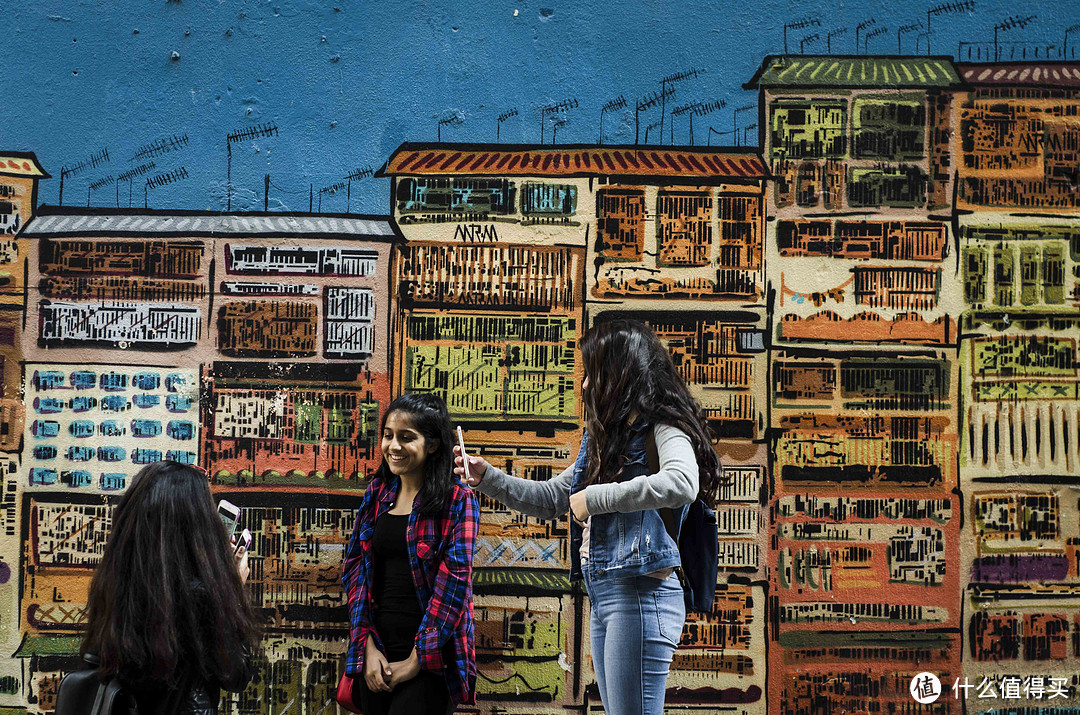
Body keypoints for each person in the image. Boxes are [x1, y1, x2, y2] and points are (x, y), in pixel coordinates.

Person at [455, 319, 721, 715]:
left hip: (640, 596)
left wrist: (595, 498)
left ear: (621, 374)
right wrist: (487, 477)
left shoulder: (663, 425)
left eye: (593, 374)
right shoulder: (602, 438)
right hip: (607, 595)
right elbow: (553, 498)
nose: (584, 386)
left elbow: (683, 483)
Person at [81, 461, 259, 714]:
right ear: (195, 525)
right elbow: (236, 676)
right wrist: (231, 591)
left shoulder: (117, 582)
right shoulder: (201, 597)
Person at [342, 393, 479, 715]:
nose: (393, 446)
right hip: (376, 650)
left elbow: (455, 581)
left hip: (431, 658)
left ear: (431, 444)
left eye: (406, 437)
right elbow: (354, 569)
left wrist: (415, 661)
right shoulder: (377, 493)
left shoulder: (457, 499)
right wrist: (366, 647)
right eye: (388, 436)